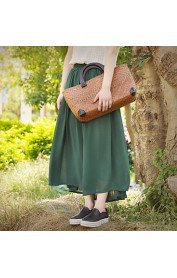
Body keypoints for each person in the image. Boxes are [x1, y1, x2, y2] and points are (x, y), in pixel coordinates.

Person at [49, 46, 130, 228]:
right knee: (79, 141)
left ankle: (101, 208)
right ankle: (89, 205)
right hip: (76, 79)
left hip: (99, 76)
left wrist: (106, 87)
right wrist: (62, 90)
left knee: (100, 142)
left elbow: (112, 50)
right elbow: (70, 54)